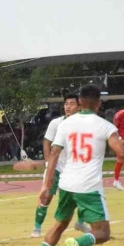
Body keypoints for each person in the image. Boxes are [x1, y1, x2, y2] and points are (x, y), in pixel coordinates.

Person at [31, 85, 124, 246]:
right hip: (89, 187)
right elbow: (123, 155)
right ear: (99, 104)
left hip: (66, 183)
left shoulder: (65, 124)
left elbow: (54, 154)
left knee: (59, 225)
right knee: (103, 233)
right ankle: (78, 243)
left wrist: (45, 185)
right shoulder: (105, 126)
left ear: (80, 102)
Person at [31, 93, 89, 238]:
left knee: (82, 195)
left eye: (72, 104)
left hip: (75, 167)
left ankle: (81, 222)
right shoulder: (56, 123)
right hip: (56, 165)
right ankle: (37, 228)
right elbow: (47, 142)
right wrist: (47, 163)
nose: (68, 107)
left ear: (79, 106)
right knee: (46, 196)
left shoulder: (85, 123)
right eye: (66, 104)